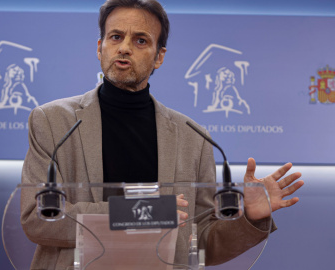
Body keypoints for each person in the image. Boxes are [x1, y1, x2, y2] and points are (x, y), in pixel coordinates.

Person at [20, 0, 304, 269]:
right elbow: (38, 218)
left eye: (140, 40)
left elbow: (200, 242)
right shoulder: (52, 122)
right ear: (100, 47)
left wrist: (249, 217)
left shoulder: (193, 138)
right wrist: (136, 214)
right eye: (115, 37)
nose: (125, 48)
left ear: (159, 56)